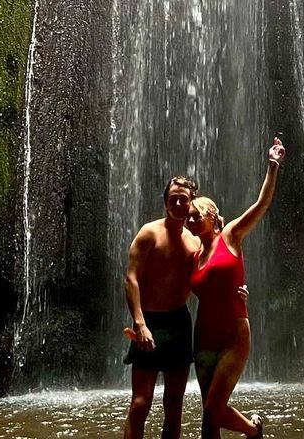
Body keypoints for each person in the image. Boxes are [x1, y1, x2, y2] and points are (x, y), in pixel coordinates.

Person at [187, 136, 286, 439]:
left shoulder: (230, 235)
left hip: (234, 334)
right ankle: (252, 430)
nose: (190, 220)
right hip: (203, 337)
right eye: (188, 217)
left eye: (196, 215)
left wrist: (273, 165)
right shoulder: (193, 255)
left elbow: (261, 205)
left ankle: (252, 429)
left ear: (212, 218)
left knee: (212, 409)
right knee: (209, 418)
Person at [122, 174, 201, 439]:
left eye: (183, 199)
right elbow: (131, 278)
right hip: (150, 322)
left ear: (192, 202)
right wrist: (140, 323)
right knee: (140, 403)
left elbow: (212, 272)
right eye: (173, 199)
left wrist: (238, 293)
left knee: (174, 405)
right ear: (165, 202)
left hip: (179, 322)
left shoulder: (195, 241)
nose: (178, 204)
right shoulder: (149, 233)